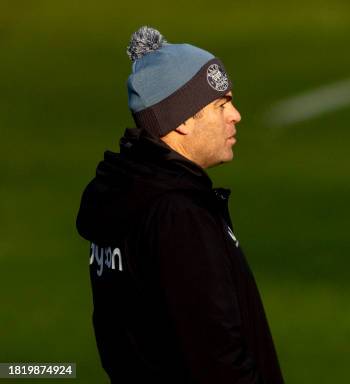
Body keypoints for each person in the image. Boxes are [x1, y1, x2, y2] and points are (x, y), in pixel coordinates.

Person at [76, 26, 284, 384]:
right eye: (222, 104)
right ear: (183, 120)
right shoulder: (178, 215)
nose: (236, 115)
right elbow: (217, 357)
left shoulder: (123, 196)